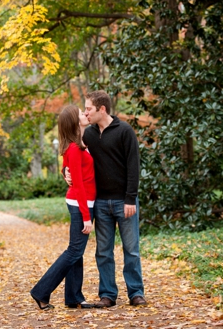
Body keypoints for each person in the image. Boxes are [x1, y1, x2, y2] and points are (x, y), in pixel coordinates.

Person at [67, 90, 146, 307]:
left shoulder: (125, 131)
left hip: (124, 201)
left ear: (102, 109)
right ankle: (108, 295)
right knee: (103, 251)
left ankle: (136, 293)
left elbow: (133, 166)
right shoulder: (89, 135)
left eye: (89, 109)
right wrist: (65, 171)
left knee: (131, 249)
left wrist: (130, 198)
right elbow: (73, 155)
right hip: (100, 202)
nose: (86, 112)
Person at [30, 105, 98, 310]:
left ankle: (74, 297)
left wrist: (64, 171)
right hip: (81, 204)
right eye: (81, 113)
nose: (85, 114)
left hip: (82, 202)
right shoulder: (75, 148)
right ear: (74, 122)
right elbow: (78, 184)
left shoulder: (78, 144)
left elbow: (69, 168)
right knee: (74, 251)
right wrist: (86, 217)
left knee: (76, 252)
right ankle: (41, 291)